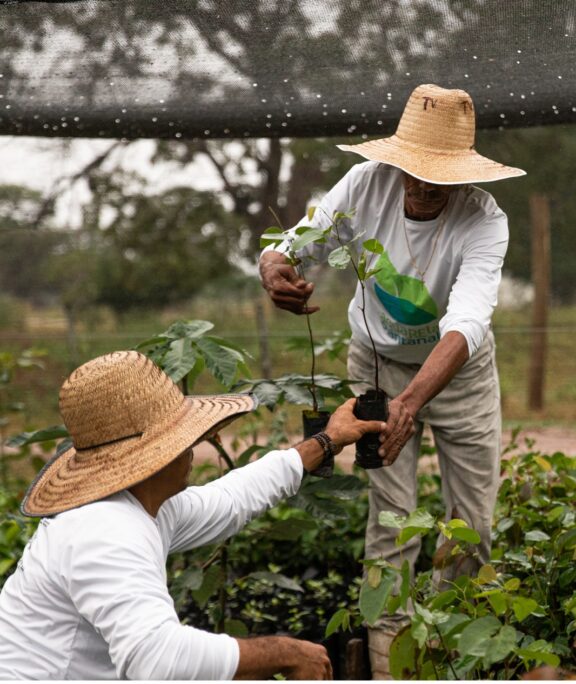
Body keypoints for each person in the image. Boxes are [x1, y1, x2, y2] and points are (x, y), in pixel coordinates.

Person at [259, 83, 525, 677]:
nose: (424, 185)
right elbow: (297, 244)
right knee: (392, 517)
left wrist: (413, 400)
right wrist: (274, 269)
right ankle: (391, 664)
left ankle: (451, 655)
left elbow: (468, 322)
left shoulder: (484, 220)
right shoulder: (365, 184)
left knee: (472, 522)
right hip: (376, 365)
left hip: (458, 373)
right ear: (397, 160)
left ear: (464, 174)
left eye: (441, 175)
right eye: (414, 170)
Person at [0, 350, 385, 680]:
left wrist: (327, 440)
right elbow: (160, 660)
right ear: (158, 453)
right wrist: (285, 652)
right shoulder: (105, 529)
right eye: (184, 435)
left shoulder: (139, 506)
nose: (193, 444)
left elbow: (230, 498)